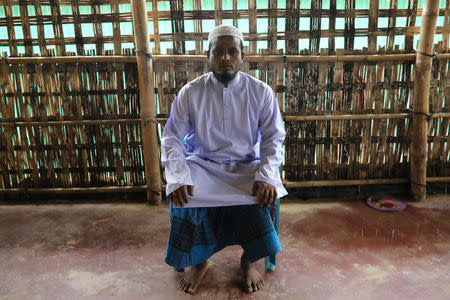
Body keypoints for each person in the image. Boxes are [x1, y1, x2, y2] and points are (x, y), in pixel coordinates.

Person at [161, 24, 287, 294]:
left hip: (245, 165)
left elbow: (274, 138)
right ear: (208, 55)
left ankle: (250, 259)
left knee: (266, 194)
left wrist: (265, 175)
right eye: (218, 52)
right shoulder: (190, 92)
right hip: (202, 165)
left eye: (232, 51)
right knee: (183, 195)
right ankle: (199, 259)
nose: (225, 58)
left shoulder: (261, 92)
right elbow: (171, 138)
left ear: (242, 56)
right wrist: (179, 177)